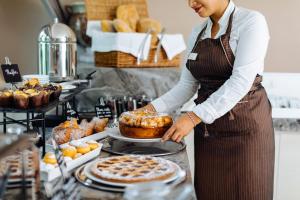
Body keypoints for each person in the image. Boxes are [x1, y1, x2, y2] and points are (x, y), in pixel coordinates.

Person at [142, 0, 275, 199]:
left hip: (246, 134)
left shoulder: (251, 22)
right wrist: (149, 110)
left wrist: (193, 117)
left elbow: (240, 81)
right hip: (208, 134)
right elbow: (187, 85)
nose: (190, 3)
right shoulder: (198, 32)